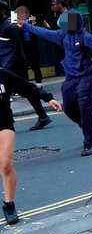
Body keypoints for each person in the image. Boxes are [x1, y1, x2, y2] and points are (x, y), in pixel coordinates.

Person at [22, 10, 92, 156]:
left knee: (85, 108)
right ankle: (88, 127)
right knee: (68, 107)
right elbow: (43, 33)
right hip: (70, 78)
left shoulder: (86, 37)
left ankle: (90, 142)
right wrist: (26, 26)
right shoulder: (62, 35)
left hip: (86, 77)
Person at [0, 66, 61, 225]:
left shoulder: (3, 74)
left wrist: (48, 98)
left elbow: (27, 87)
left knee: (6, 165)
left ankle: (9, 204)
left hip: (4, 124)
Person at [6, 5, 51, 131]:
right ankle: (42, 115)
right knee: (22, 91)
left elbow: (61, 32)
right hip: (12, 63)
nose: (52, 6)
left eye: (54, 4)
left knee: (25, 89)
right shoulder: (10, 25)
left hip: (14, 64)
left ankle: (46, 99)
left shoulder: (71, 14)